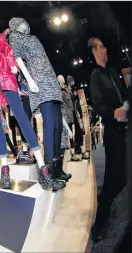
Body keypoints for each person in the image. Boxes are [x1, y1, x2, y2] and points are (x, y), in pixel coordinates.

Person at [88, 37, 129, 242]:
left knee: (123, 176)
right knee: (113, 176)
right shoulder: (95, 76)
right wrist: (113, 112)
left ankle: (107, 198)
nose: (105, 49)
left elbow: (123, 96)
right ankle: (99, 225)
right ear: (94, 51)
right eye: (102, 46)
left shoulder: (112, 72)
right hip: (113, 131)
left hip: (125, 129)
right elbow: (97, 104)